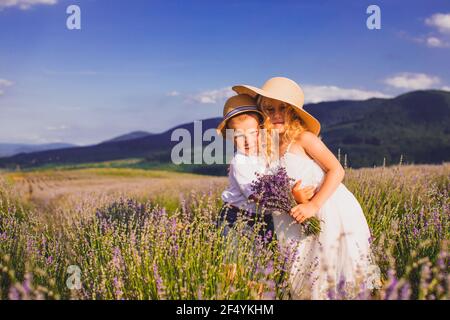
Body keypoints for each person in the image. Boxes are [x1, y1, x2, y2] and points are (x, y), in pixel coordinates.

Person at [233, 76, 381, 299]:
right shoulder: (267, 145)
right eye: (269, 109)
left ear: (293, 112)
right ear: (261, 112)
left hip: (326, 211)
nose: (276, 115)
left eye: (283, 108)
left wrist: (313, 205)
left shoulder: (304, 139)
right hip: (290, 217)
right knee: (302, 276)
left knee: (328, 273)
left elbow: (337, 170)